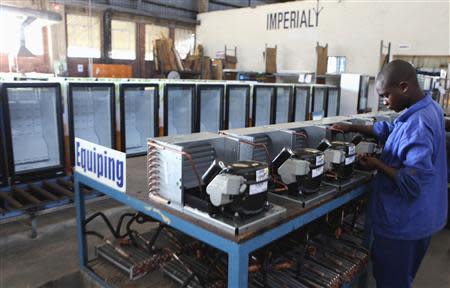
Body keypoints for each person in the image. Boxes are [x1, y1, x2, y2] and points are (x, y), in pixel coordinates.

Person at [332, 60, 448, 288]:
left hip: (405, 223)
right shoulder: (428, 108)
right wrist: (353, 127)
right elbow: (392, 129)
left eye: (386, 96)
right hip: (424, 216)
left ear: (403, 87)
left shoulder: (419, 124)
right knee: (399, 278)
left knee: (392, 281)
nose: (385, 102)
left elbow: (412, 181)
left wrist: (377, 164)